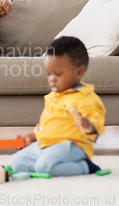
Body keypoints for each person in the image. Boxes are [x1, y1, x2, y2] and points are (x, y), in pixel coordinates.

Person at [9, 36, 106, 177]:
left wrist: (88, 125)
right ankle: (49, 164)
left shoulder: (85, 97)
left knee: (44, 167)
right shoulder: (53, 96)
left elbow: (96, 123)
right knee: (17, 163)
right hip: (46, 145)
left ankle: (84, 166)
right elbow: (47, 126)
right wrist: (30, 137)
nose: (52, 78)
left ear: (79, 72)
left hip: (71, 146)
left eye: (58, 74)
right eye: (49, 74)